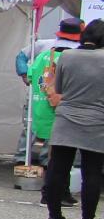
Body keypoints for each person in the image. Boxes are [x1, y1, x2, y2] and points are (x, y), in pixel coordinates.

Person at [40, 19, 104, 219]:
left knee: (58, 168)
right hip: (96, 120)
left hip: (66, 117)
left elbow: (58, 88)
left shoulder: (66, 55)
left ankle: (54, 218)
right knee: (92, 172)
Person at [28, 15, 84, 160]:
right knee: (62, 155)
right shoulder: (76, 58)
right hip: (63, 111)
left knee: (48, 146)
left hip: (41, 109)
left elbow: (29, 77)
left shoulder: (43, 55)